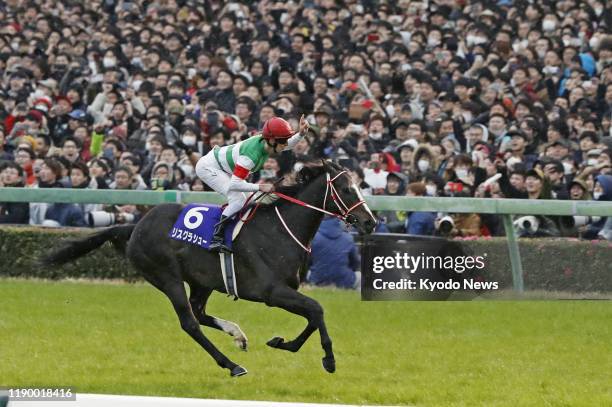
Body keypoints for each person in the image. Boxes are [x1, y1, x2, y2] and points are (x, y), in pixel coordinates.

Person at [195, 115, 309, 252]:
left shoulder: (269, 143)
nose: (286, 143)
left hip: (224, 168)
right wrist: (260, 186)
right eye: (283, 140)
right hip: (209, 168)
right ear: (272, 140)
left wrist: (301, 134)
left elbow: (286, 144)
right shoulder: (250, 156)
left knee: (253, 200)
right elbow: (235, 185)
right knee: (238, 201)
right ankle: (216, 239)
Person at [307, 216, 360, 289]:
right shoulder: (348, 238)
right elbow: (355, 262)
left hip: (317, 280)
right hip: (345, 280)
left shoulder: (314, 237)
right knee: (360, 276)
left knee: (306, 273)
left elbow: (307, 262)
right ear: (338, 222)